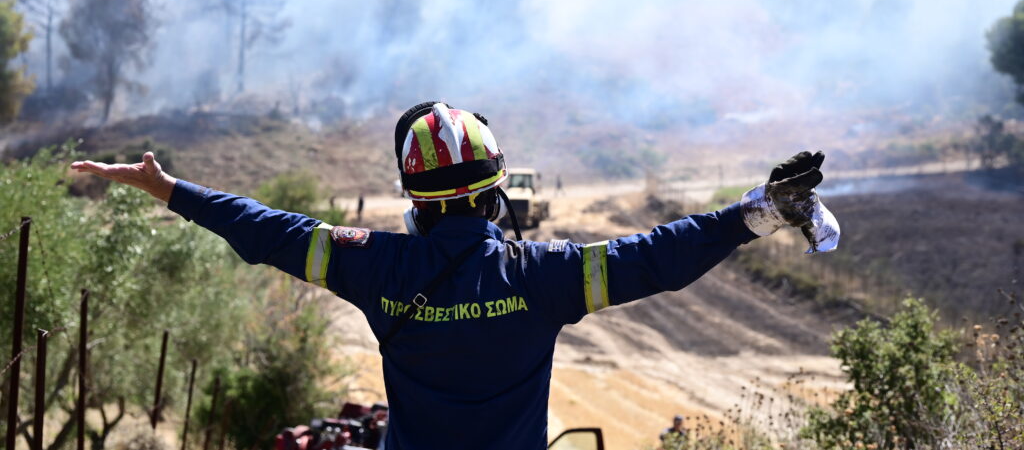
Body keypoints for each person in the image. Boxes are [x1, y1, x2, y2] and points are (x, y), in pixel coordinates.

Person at [70, 101, 832, 450]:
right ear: (496, 192)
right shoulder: (546, 275)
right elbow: (661, 255)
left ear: (415, 201)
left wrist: (169, 190)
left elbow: (271, 231)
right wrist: (756, 212)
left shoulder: (375, 264)